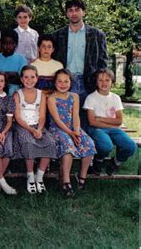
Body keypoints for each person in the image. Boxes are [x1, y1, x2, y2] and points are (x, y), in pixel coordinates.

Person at [47, 69, 96, 197]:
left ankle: (82, 177)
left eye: (66, 81)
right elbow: (57, 120)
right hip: (58, 129)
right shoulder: (51, 98)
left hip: (73, 128)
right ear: (55, 83)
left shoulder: (75, 96)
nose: (63, 84)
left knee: (89, 144)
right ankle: (66, 181)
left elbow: (75, 116)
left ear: (70, 82)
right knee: (67, 147)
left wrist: (77, 131)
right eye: (60, 81)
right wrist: (70, 133)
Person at [52, 0, 108, 103]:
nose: (74, 13)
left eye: (77, 10)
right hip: (65, 82)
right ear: (67, 13)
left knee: (87, 117)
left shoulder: (97, 35)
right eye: (70, 10)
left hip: (89, 82)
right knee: (65, 117)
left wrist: (99, 81)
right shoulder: (57, 35)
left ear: (84, 12)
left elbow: (103, 61)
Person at [13, 65, 57, 194]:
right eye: (26, 77)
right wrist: (31, 131)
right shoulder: (17, 95)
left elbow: (42, 116)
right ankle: (30, 176)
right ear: (21, 79)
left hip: (38, 126)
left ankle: (40, 176)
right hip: (23, 126)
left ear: (37, 78)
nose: (29, 80)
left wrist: (38, 129)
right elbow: (17, 117)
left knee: (50, 143)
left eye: (32, 77)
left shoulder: (41, 94)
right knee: (29, 144)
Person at [83, 69, 136, 175]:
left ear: (112, 82)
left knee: (130, 146)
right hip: (96, 129)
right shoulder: (91, 98)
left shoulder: (115, 98)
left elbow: (119, 121)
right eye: (100, 80)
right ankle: (98, 160)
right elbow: (92, 122)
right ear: (96, 82)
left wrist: (101, 118)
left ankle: (115, 162)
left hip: (113, 129)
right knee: (106, 145)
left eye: (107, 80)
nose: (104, 83)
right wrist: (111, 123)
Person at [0, 29, 27, 96]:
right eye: (5, 43)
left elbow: (21, 79)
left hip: (15, 94)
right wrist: (12, 74)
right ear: (1, 44)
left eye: (11, 43)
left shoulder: (21, 59)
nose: (8, 46)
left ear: (16, 44)